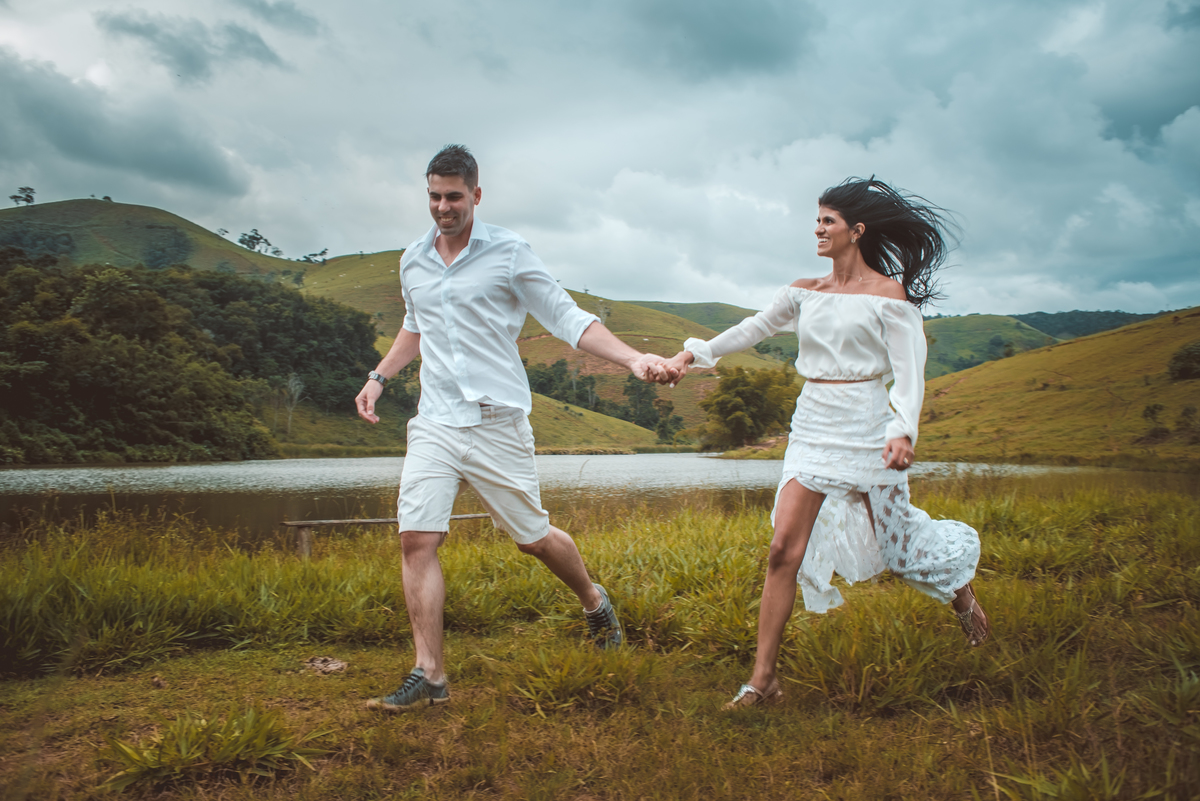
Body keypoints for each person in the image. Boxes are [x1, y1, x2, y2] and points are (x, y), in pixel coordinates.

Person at [357, 144, 673, 712]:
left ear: (476, 195)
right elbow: (415, 325)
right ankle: (430, 675)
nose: (443, 207)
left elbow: (567, 316)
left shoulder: (508, 253)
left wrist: (632, 358)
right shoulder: (413, 260)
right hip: (436, 420)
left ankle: (593, 600)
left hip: (496, 423)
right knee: (416, 538)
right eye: (434, 196)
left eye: (454, 197)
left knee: (534, 539)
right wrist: (379, 377)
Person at [662, 177, 990, 710]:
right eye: (816, 220)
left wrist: (902, 430)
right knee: (781, 551)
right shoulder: (803, 291)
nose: (817, 229)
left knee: (900, 549)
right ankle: (762, 681)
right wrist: (689, 356)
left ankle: (960, 593)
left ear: (856, 231)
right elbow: (751, 329)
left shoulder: (888, 296)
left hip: (867, 429)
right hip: (812, 425)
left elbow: (910, 372)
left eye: (827, 221)